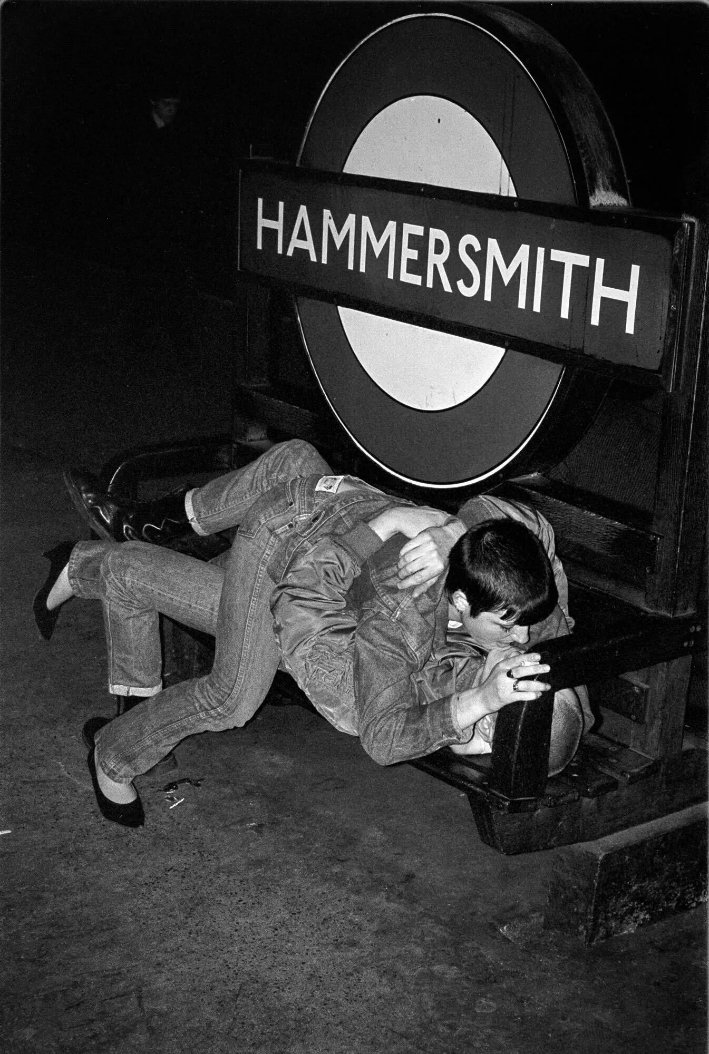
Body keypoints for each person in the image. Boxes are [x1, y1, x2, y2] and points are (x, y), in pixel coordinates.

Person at [37, 441, 588, 828]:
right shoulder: (421, 614)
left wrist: (418, 529)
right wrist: (450, 529)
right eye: (513, 633)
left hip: (339, 531)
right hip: (296, 546)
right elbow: (304, 610)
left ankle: (142, 537)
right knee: (233, 694)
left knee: (297, 467)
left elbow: (400, 714)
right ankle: (113, 751)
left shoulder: (488, 644)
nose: (522, 642)